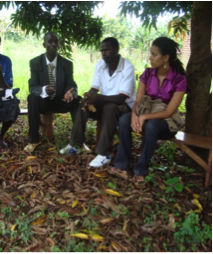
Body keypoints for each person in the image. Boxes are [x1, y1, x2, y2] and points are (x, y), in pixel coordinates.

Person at [111, 37, 188, 183]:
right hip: (144, 112)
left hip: (166, 121)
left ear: (165, 58)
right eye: (150, 53)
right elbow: (138, 101)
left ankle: (141, 169)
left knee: (152, 125)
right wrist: (134, 114)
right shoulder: (147, 74)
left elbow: (169, 112)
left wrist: (144, 118)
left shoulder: (179, 79)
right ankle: (122, 164)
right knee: (124, 120)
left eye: (154, 54)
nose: (150, 58)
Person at [60, 38, 136, 168]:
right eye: (102, 50)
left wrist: (97, 97)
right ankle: (76, 144)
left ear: (116, 49)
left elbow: (121, 99)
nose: (103, 53)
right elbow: (95, 87)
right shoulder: (100, 64)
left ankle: (104, 153)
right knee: (81, 102)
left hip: (124, 106)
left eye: (107, 50)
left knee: (110, 108)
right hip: (106, 102)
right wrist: (89, 97)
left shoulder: (127, 67)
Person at [24, 32, 82, 153]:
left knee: (78, 99)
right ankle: (33, 140)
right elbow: (32, 86)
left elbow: (72, 84)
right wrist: (44, 90)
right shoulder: (35, 62)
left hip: (61, 100)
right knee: (32, 98)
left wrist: (70, 92)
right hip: (43, 102)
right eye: (50, 42)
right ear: (44, 44)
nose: (53, 44)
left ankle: (78, 141)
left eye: (56, 42)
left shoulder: (66, 64)